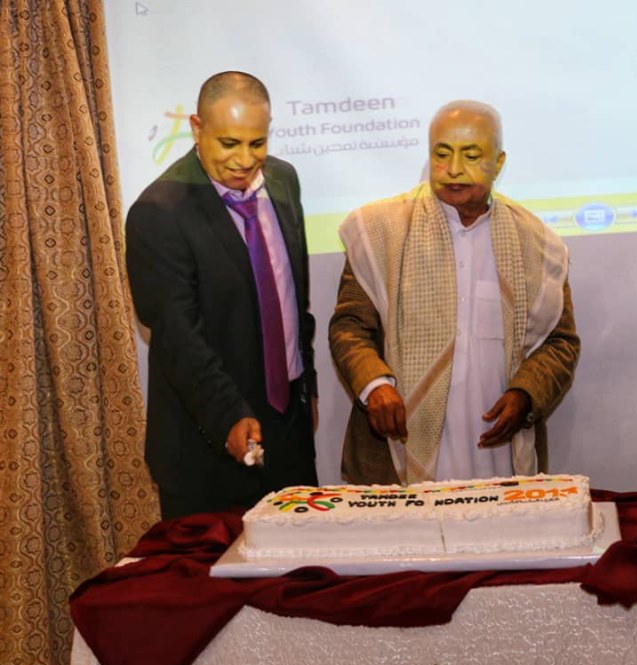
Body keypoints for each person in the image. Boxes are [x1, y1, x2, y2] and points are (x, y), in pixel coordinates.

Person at [329, 100, 579, 485]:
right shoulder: (380, 231)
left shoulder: (536, 243)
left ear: (498, 162)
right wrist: (374, 385)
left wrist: (526, 394)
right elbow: (350, 326)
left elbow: (560, 342)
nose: (454, 169)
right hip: (400, 445)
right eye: (442, 154)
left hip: (497, 447)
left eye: (471, 156)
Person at [126, 71, 318, 519]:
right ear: (197, 129)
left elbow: (294, 300)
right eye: (229, 143)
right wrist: (228, 414)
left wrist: (305, 387)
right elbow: (177, 335)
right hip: (208, 443)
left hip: (288, 431)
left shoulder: (284, 181)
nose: (245, 160)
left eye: (257, 143)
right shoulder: (158, 212)